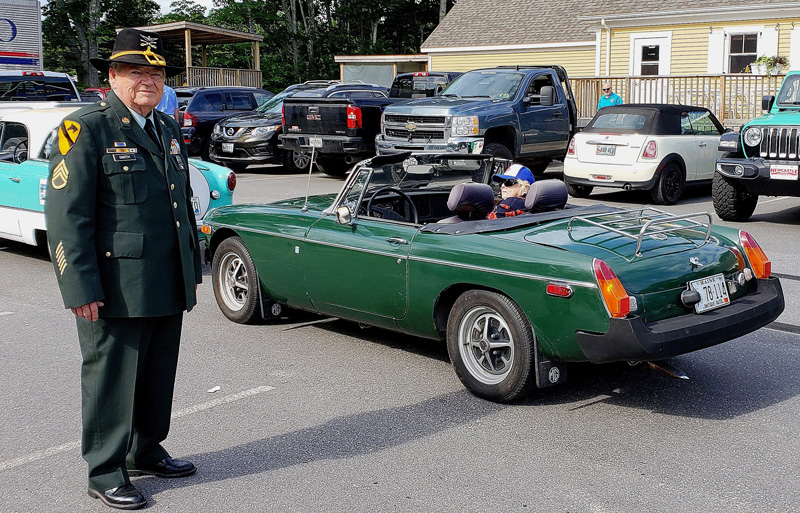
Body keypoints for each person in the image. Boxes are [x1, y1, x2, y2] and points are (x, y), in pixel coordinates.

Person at [44, 28, 202, 510]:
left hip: (165, 276)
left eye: (155, 73)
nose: (148, 81)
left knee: (157, 373)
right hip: (114, 284)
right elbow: (67, 217)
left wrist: (190, 266)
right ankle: (106, 470)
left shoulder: (166, 127)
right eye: (136, 72)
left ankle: (145, 450)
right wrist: (78, 286)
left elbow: (178, 205)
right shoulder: (87, 128)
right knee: (112, 377)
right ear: (112, 76)